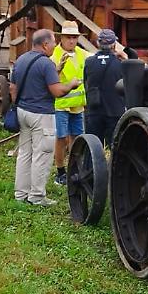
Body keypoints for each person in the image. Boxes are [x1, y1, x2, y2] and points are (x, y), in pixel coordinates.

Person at [11, 28, 81, 206]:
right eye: (53, 43)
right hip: (41, 115)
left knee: (25, 154)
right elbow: (57, 91)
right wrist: (71, 84)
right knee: (42, 154)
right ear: (44, 44)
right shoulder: (46, 63)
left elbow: (13, 87)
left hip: (23, 112)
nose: (55, 46)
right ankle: (37, 196)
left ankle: (21, 194)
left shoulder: (21, 59)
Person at [51, 22, 89, 186]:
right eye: (68, 37)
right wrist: (58, 68)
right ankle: (60, 171)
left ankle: (74, 169)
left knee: (77, 138)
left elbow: (95, 59)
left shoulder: (82, 54)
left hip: (78, 105)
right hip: (61, 105)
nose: (72, 41)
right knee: (61, 138)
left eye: (74, 37)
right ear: (61, 38)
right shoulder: (54, 56)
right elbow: (50, 78)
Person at [83, 28, 129, 148]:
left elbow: (86, 83)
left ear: (98, 43)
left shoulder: (89, 62)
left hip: (94, 111)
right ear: (114, 44)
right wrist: (126, 58)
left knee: (92, 148)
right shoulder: (120, 63)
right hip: (115, 111)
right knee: (116, 148)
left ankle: (90, 162)